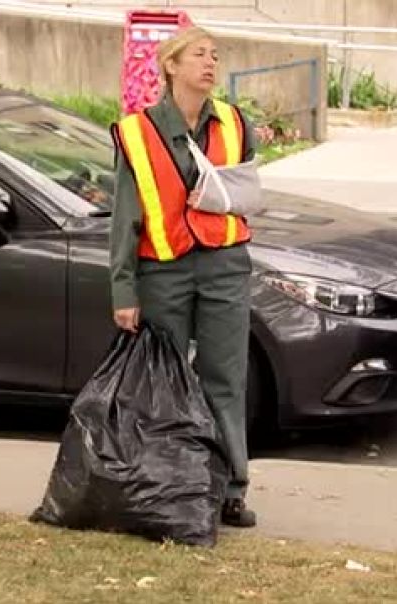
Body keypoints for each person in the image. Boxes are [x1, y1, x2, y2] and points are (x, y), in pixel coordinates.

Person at [109, 26, 259, 528]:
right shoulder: (138, 131)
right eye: (199, 54)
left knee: (225, 379)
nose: (210, 63)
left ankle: (230, 489)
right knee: (165, 384)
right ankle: (166, 485)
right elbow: (124, 215)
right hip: (164, 268)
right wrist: (123, 288)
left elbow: (247, 191)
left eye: (215, 56)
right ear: (171, 65)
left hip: (224, 264)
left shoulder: (235, 123)